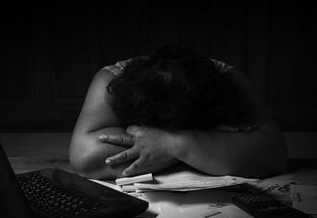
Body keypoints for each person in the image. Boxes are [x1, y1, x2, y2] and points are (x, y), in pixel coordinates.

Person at [69, 45, 288, 180]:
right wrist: (208, 147)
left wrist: (174, 144)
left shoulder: (229, 81)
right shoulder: (113, 81)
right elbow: (86, 158)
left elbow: (273, 154)